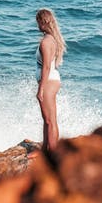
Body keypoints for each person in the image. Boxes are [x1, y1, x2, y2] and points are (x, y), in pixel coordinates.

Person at [35, 8, 66, 153]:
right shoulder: (52, 39)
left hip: (48, 82)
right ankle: (45, 150)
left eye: (38, 22)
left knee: (49, 120)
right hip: (52, 80)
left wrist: (40, 89)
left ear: (42, 22)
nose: (37, 25)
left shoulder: (46, 42)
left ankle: (52, 154)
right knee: (49, 120)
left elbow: (46, 66)